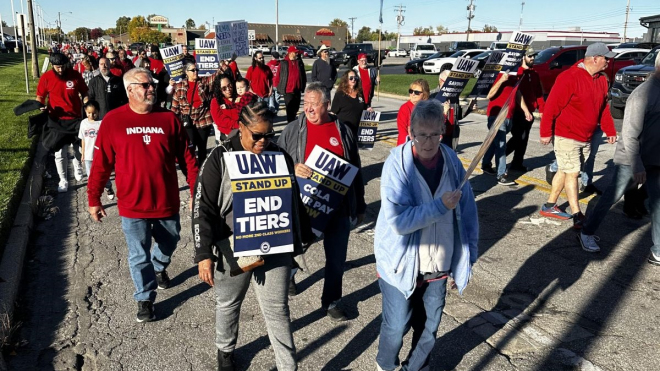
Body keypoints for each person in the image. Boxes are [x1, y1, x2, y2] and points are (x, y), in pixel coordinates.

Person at [193, 100, 314, 371]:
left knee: (277, 310)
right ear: (240, 128)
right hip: (235, 246)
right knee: (229, 303)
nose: (263, 141)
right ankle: (225, 351)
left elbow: (292, 199)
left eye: (269, 134)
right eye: (256, 135)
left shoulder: (279, 155)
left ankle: (288, 367)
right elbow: (203, 208)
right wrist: (203, 254)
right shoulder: (219, 157)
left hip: (276, 244)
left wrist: (301, 237)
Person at [87, 67, 199, 323]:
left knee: (170, 242)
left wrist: (195, 191)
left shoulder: (169, 119)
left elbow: (188, 160)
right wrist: (94, 199)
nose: (152, 89)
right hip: (132, 204)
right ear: (130, 90)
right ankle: (144, 298)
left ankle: (159, 267)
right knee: (138, 255)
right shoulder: (113, 121)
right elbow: (101, 164)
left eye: (152, 84)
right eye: (145, 85)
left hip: (166, 201)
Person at [374, 99, 478, 371]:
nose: (429, 142)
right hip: (399, 264)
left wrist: (467, 259)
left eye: (435, 134)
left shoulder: (452, 161)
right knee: (396, 326)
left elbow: (467, 213)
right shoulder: (396, 164)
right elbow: (398, 222)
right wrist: (439, 205)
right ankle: (385, 365)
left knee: (428, 330)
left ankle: (415, 368)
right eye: (422, 135)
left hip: (438, 266)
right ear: (411, 133)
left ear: (442, 132)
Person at [278, 83, 367, 321]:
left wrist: (360, 205)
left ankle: (332, 301)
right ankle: (289, 275)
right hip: (303, 204)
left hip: (337, 206)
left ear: (326, 105)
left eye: (313, 104)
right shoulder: (292, 130)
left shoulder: (343, 131)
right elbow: (274, 161)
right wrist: (292, 168)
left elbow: (355, 168)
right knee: (296, 247)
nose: (308, 109)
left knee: (336, 258)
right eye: (305, 104)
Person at [578, 51, 660, 256]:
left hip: (654, 157)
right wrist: (637, 165)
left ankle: (658, 249)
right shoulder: (643, 94)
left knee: (658, 201)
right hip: (632, 158)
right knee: (612, 196)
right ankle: (586, 232)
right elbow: (630, 134)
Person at [539, 43, 617, 228]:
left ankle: (549, 205)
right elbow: (552, 106)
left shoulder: (601, 79)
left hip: (585, 136)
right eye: (606, 58)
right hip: (566, 134)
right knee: (573, 173)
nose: (608, 61)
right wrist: (545, 132)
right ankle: (577, 214)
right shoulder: (569, 77)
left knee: (565, 170)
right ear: (595, 58)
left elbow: (603, 108)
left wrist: (610, 129)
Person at [36, 52, 88, 193]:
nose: (60, 69)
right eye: (57, 67)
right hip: (57, 120)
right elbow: (40, 95)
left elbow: (85, 92)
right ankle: (63, 179)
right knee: (60, 152)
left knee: (78, 149)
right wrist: (41, 105)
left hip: (75, 118)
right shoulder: (46, 78)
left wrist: (87, 102)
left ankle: (78, 168)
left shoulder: (75, 75)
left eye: (62, 66)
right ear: (52, 66)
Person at [481, 69, 533, 186]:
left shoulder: (515, 75)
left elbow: (517, 94)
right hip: (496, 116)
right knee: (501, 146)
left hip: (509, 116)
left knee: (496, 142)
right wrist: (501, 80)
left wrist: (526, 111)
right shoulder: (498, 74)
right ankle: (501, 175)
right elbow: (488, 94)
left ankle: (485, 164)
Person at [170, 61, 219, 166]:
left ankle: (202, 171)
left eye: (197, 70)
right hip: (188, 121)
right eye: (193, 70)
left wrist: (227, 63)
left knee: (202, 148)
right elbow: (175, 107)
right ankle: (191, 168)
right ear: (186, 72)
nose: (196, 72)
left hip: (203, 119)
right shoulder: (179, 86)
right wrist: (173, 125)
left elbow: (216, 75)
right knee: (190, 147)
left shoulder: (204, 82)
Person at [505, 48, 545, 172]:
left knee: (524, 139)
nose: (532, 58)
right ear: (523, 57)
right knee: (518, 137)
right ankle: (500, 156)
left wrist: (542, 108)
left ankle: (517, 163)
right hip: (516, 112)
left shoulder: (534, 74)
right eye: (530, 56)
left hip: (529, 112)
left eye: (534, 55)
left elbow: (538, 93)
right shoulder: (517, 73)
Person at [430, 70, 477, 151]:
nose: (452, 87)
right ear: (441, 81)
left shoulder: (454, 96)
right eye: (449, 83)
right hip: (438, 137)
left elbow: (458, 116)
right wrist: (444, 111)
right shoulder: (432, 96)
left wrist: (469, 108)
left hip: (451, 136)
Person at [78, 100, 114, 199]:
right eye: (89, 113)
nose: (91, 115)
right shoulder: (83, 123)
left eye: (94, 113)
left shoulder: (102, 123)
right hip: (88, 155)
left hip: (100, 155)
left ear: (98, 111)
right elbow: (83, 139)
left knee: (103, 173)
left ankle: (108, 187)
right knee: (91, 176)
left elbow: (107, 140)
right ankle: (94, 193)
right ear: (85, 111)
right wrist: (83, 154)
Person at [330, 70, 370, 135]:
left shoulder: (360, 93)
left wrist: (368, 109)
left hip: (357, 129)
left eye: (355, 78)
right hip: (344, 130)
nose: (353, 80)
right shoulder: (340, 94)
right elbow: (333, 113)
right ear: (346, 79)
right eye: (351, 78)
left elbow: (364, 108)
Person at [277, 46, 307, 122]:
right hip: (288, 90)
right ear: (291, 53)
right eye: (295, 52)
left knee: (296, 107)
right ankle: (290, 123)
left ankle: (293, 119)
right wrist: (277, 85)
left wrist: (303, 84)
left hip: (297, 89)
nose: (297, 54)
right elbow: (278, 75)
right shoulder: (283, 63)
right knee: (290, 108)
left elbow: (303, 74)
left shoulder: (299, 62)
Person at [396, 79, 430, 145]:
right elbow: (403, 132)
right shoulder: (405, 108)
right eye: (411, 91)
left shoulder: (428, 108)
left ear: (424, 94)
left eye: (416, 92)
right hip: (408, 145)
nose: (413, 94)